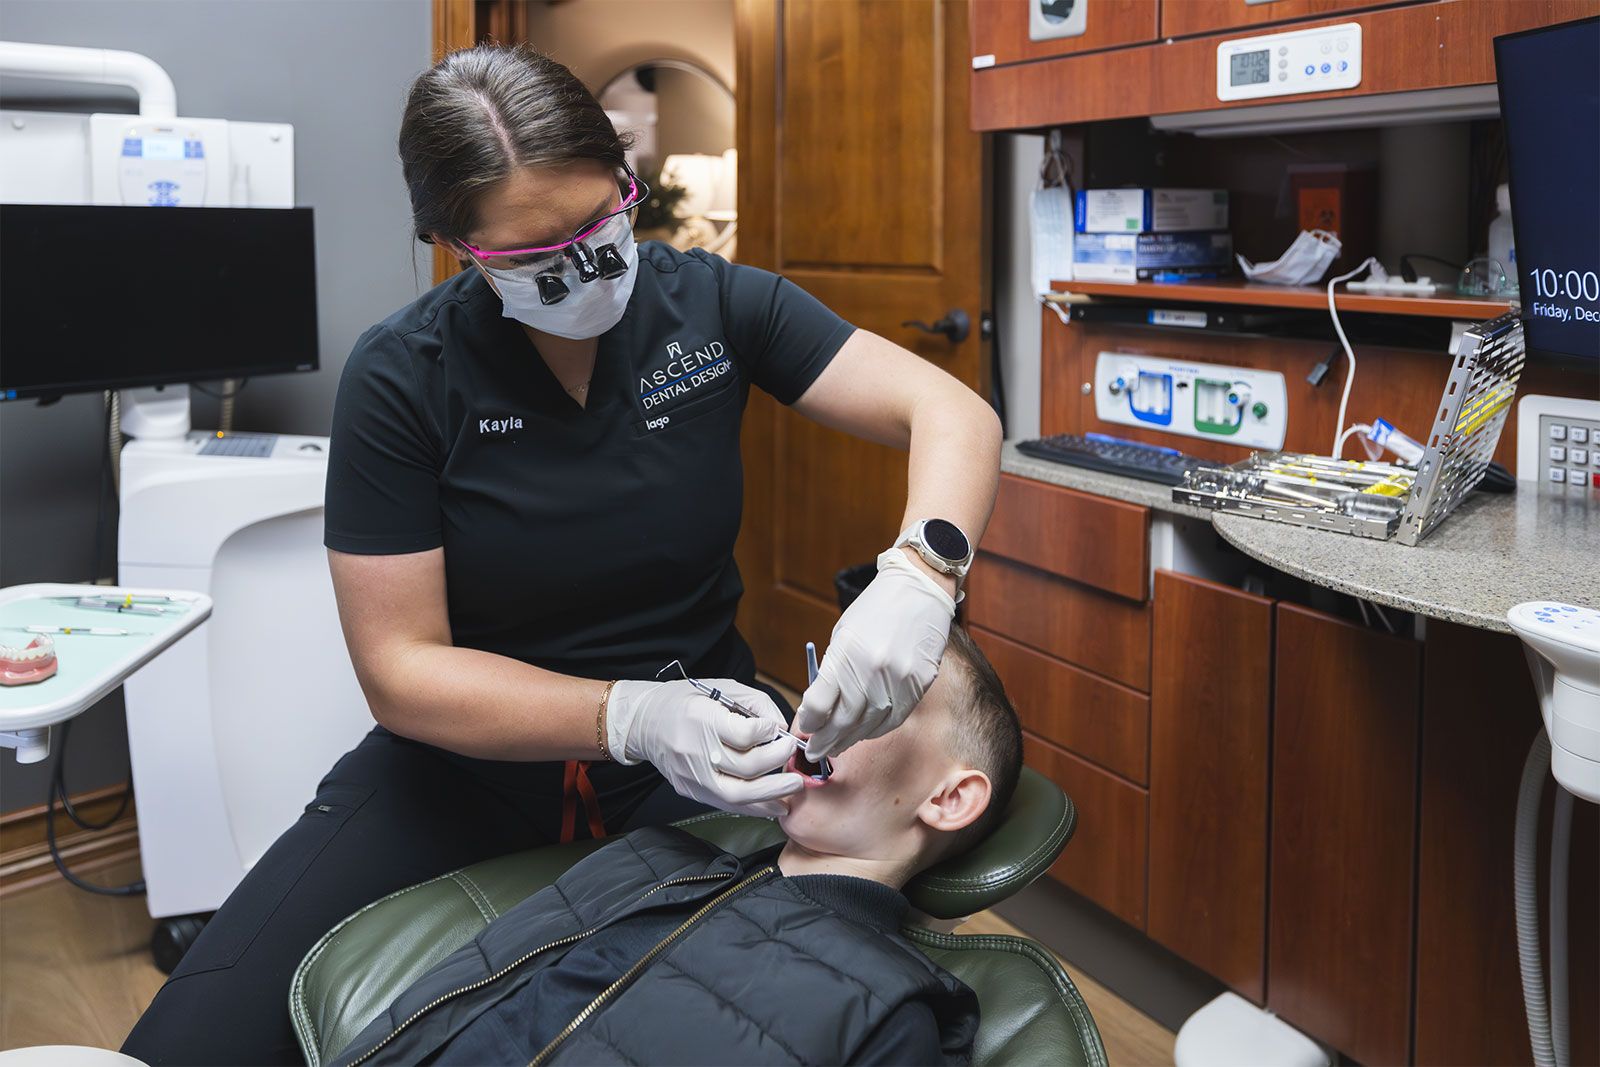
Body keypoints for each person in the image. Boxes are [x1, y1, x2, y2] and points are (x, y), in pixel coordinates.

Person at [123, 44, 1000, 1065]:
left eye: (602, 224)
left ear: (627, 179)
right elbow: (402, 669)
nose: (587, 270)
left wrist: (920, 575)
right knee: (200, 1033)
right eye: (538, 258)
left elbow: (948, 409)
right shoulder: (405, 375)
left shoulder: (714, 308)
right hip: (469, 763)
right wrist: (627, 714)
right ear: (455, 244)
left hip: (710, 752)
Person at [330, 626, 1023, 1066]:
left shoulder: (891, 1015)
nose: (821, 699)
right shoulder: (647, 858)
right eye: (829, 668)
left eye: (878, 695)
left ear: (950, 798)